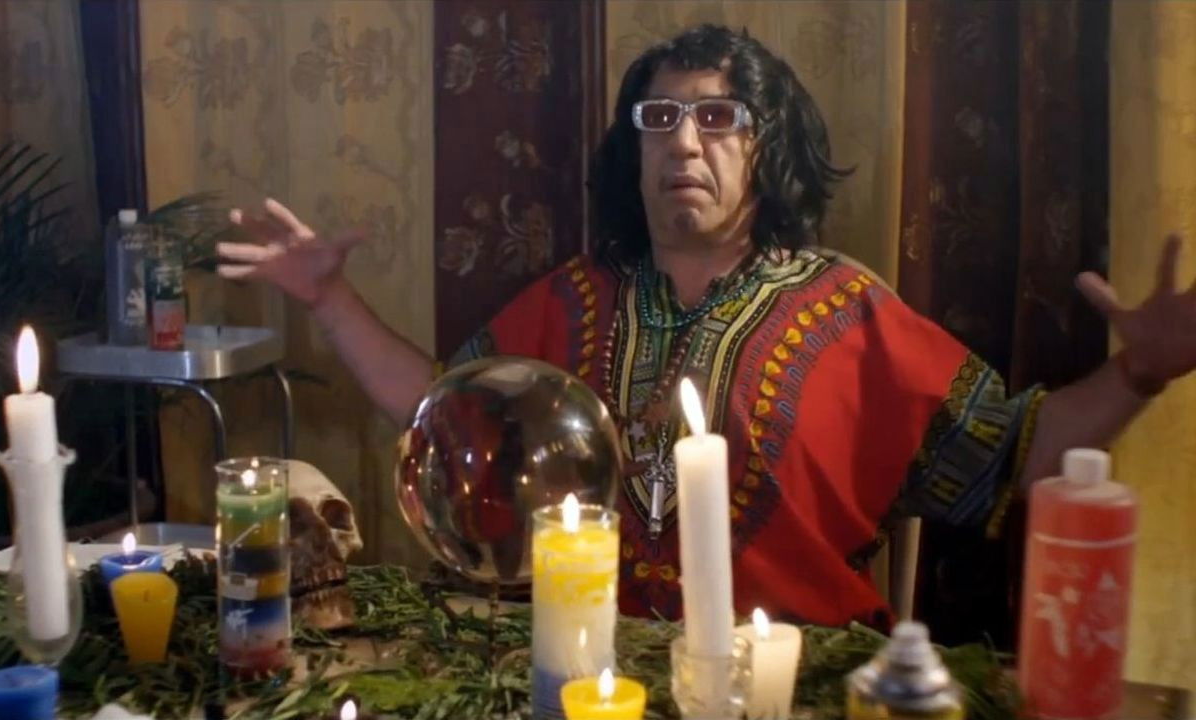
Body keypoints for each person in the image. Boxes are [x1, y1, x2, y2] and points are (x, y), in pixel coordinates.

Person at [218, 25, 1196, 628]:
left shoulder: (848, 313)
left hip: (791, 683)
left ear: (767, 151)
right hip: (581, 675)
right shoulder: (570, 301)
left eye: (718, 118)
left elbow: (1014, 456)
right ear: (631, 152)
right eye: (659, 120)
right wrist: (329, 300)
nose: (684, 141)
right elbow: (440, 412)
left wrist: (1139, 373)